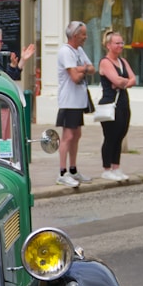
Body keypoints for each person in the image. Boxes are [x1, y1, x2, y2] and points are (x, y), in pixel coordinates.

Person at [55, 21, 96, 188]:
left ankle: (73, 169)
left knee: (77, 135)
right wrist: (83, 69)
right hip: (69, 101)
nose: (85, 37)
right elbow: (74, 77)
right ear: (74, 35)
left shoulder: (78, 50)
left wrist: (81, 68)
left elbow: (93, 68)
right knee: (68, 136)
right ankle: (62, 172)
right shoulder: (65, 52)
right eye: (83, 34)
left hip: (79, 100)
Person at [98, 31, 136, 181]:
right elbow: (117, 80)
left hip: (123, 102)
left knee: (121, 133)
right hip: (110, 103)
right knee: (111, 136)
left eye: (121, 43)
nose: (121, 46)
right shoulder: (105, 62)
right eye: (117, 43)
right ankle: (106, 168)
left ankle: (116, 166)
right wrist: (122, 82)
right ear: (108, 45)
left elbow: (132, 79)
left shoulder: (123, 61)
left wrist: (122, 82)